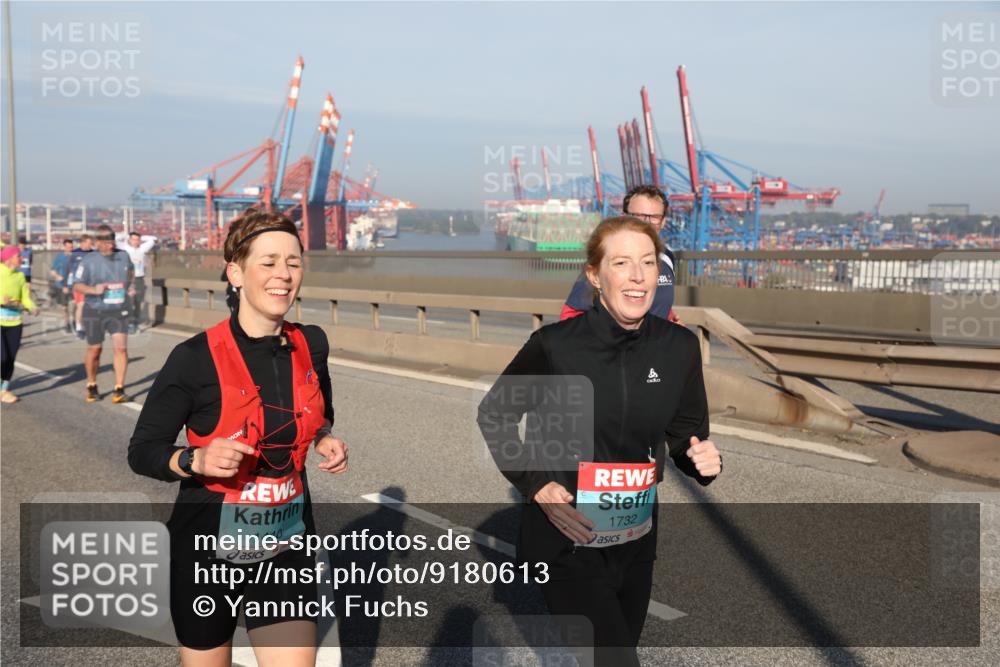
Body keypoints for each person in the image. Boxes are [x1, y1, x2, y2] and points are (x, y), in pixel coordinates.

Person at [478, 216, 722, 666]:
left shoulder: (679, 347)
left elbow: (685, 432)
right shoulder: (555, 346)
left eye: (648, 263)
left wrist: (700, 456)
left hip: (635, 541)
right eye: (622, 263)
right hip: (568, 540)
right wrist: (536, 485)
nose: (637, 276)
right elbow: (494, 413)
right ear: (595, 275)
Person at [128, 210, 348, 665]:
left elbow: (319, 410)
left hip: (286, 542)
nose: (284, 275)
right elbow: (143, 450)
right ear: (236, 272)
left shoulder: (313, 343)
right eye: (268, 262)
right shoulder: (193, 358)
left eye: (293, 262)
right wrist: (196, 460)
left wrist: (324, 436)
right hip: (206, 548)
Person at [560, 185, 681, 324]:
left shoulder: (667, 258)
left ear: (663, 221)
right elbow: (571, 315)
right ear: (624, 216)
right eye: (639, 216)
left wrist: (671, 322)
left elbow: (659, 301)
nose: (647, 222)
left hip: (657, 344)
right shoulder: (607, 258)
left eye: (654, 217)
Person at [73, 224, 135, 403]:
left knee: (121, 348)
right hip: (94, 310)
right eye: (106, 243)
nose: (110, 246)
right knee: (95, 349)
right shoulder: (88, 260)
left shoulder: (123, 256)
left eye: (112, 242)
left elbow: (130, 272)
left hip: (118, 309)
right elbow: (77, 285)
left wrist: (129, 287)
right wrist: (93, 289)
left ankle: (119, 389)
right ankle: (91, 384)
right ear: (97, 242)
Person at [1, 245, 39, 403]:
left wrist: (32, 306)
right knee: (1, 357)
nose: (22, 259)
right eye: (18, 257)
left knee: (10, 358)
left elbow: (24, 297)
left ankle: (4, 390)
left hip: (15, 322)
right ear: (9, 258)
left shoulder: (20, 276)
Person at [117, 230, 157, 332]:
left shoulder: (142, 249)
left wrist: (141, 238)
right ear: (129, 240)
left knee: (139, 302)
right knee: (129, 302)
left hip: (139, 278)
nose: (135, 241)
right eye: (133, 239)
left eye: (137, 239)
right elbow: (115, 238)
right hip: (127, 279)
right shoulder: (125, 248)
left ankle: (135, 322)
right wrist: (126, 236)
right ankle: (128, 323)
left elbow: (153, 239)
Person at [68, 234, 94, 338]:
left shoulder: (94, 253)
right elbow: (70, 269)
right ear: (82, 243)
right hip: (79, 284)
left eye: (91, 243)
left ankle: (90, 326)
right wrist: (69, 284)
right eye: (88, 243)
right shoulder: (75, 254)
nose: (90, 245)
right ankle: (79, 328)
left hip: (91, 284)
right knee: (81, 305)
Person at [49, 239, 75, 333]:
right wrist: (57, 277)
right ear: (64, 247)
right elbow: (52, 271)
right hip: (61, 286)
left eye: (71, 247)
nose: (70, 249)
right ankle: (67, 323)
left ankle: (74, 322)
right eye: (68, 247)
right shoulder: (60, 257)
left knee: (74, 305)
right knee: (65, 307)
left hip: (73, 285)